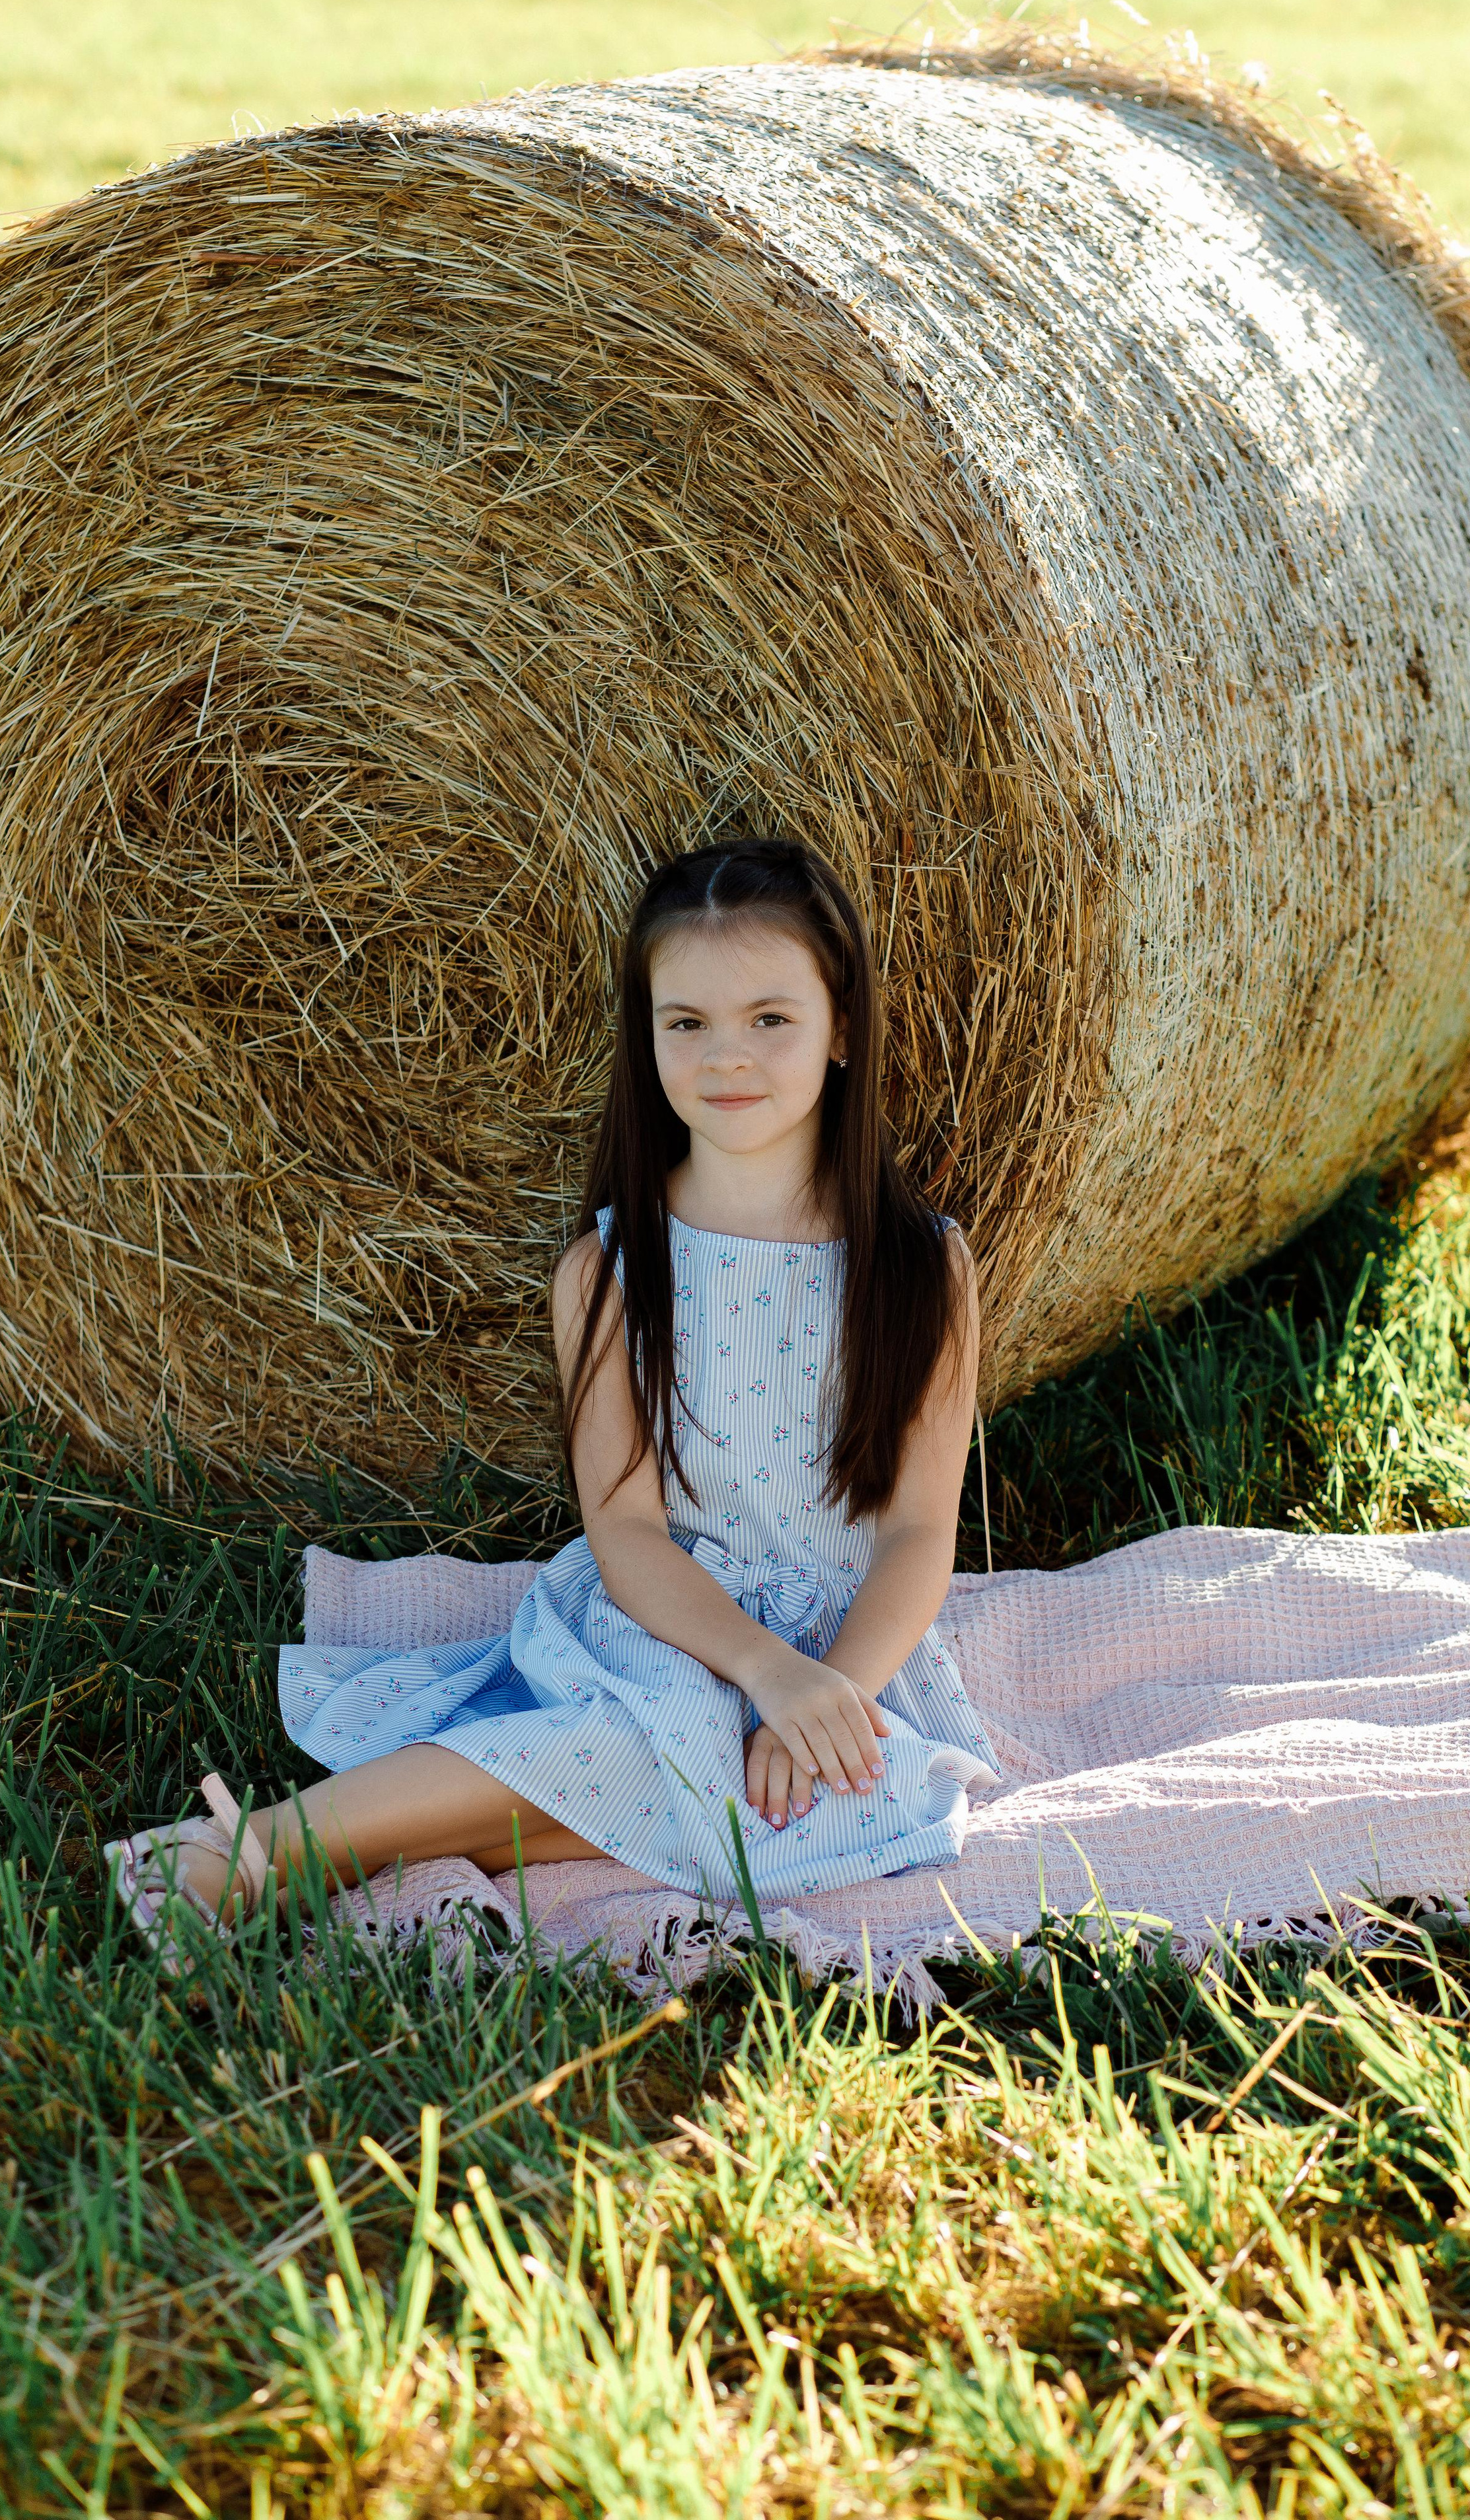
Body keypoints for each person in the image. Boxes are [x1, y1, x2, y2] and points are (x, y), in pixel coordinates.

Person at [107, 839, 1004, 1962]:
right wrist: (761, 1672)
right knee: (653, 1743)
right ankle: (267, 1850)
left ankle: (271, 1860)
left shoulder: (926, 1266)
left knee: (756, 1789)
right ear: (648, 1039)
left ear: (842, 1031)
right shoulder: (610, 1272)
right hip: (667, 1620)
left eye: (771, 1018)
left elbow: (920, 1528)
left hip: (852, 1642)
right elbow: (626, 1530)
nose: (729, 1055)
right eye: (687, 1023)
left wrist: (825, 1693)